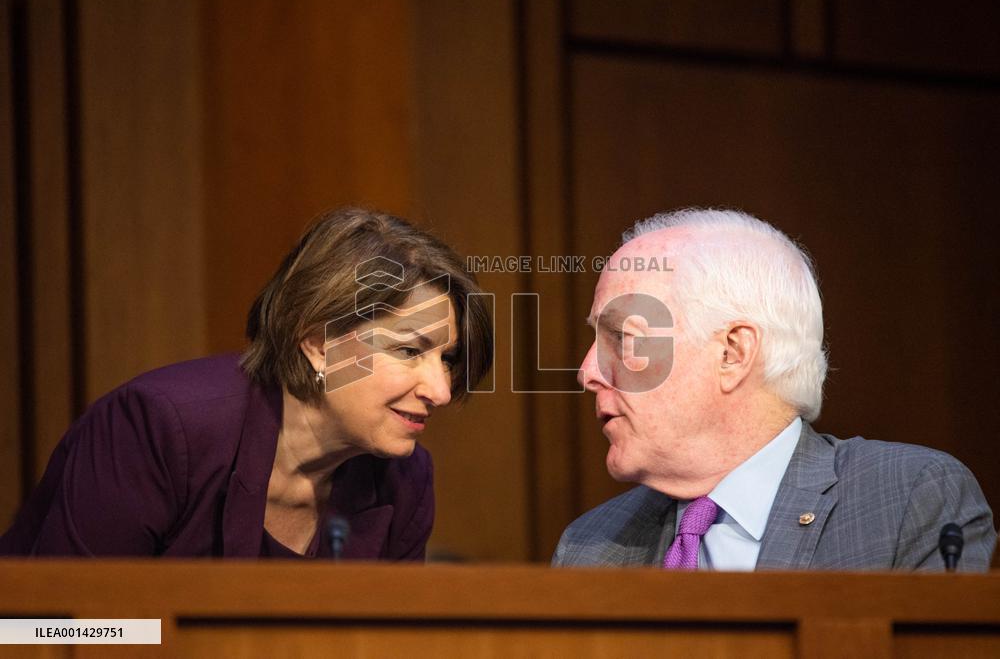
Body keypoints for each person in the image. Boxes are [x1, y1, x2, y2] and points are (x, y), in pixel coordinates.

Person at [0, 207, 492, 559]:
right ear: (318, 343)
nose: (441, 390)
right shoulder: (159, 427)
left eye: (446, 358)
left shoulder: (404, 480)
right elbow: (64, 628)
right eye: (408, 350)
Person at [553, 208, 996, 571]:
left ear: (733, 353)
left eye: (624, 339)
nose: (588, 371)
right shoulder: (591, 548)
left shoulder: (905, 499)